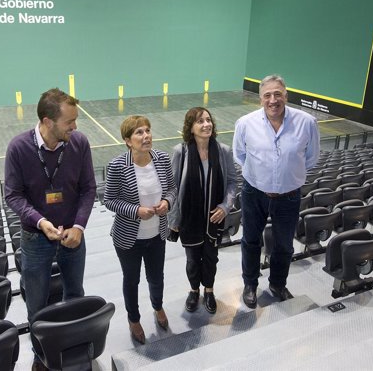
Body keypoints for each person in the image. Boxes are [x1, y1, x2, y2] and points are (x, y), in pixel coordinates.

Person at [4, 88, 96, 328]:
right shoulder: (18, 148)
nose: (74, 126)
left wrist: (79, 226)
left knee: (75, 295)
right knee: (36, 303)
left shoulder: (79, 143)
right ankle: (41, 353)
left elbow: (88, 188)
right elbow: (13, 195)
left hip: (73, 235)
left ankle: (74, 339)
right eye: (69, 121)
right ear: (47, 121)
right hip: (35, 238)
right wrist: (40, 221)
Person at [233, 75, 319, 308]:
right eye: (268, 95)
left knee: (284, 245)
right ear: (260, 99)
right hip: (254, 193)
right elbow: (240, 155)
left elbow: (311, 158)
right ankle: (250, 284)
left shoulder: (307, 122)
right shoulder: (245, 123)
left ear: (286, 96)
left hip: (289, 196)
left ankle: (277, 284)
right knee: (251, 240)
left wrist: (285, 177)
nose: (273, 100)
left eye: (277, 94)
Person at [104, 115, 177, 344]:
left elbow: (173, 189)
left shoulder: (163, 159)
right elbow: (109, 200)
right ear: (128, 140)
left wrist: (167, 203)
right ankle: (133, 319)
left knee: (156, 277)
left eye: (147, 131)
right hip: (128, 239)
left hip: (157, 234)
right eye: (139, 133)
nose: (146, 136)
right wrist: (136, 211)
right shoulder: (118, 166)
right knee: (132, 280)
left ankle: (158, 307)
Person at [168, 107, 237, 314]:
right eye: (200, 121)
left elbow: (233, 183)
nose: (206, 124)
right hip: (189, 219)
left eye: (208, 120)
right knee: (192, 260)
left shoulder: (223, 151)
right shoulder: (181, 152)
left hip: (214, 219)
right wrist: (174, 220)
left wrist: (226, 206)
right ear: (191, 127)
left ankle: (209, 290)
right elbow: (173, 187)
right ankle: (194, 290)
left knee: (211, 258)